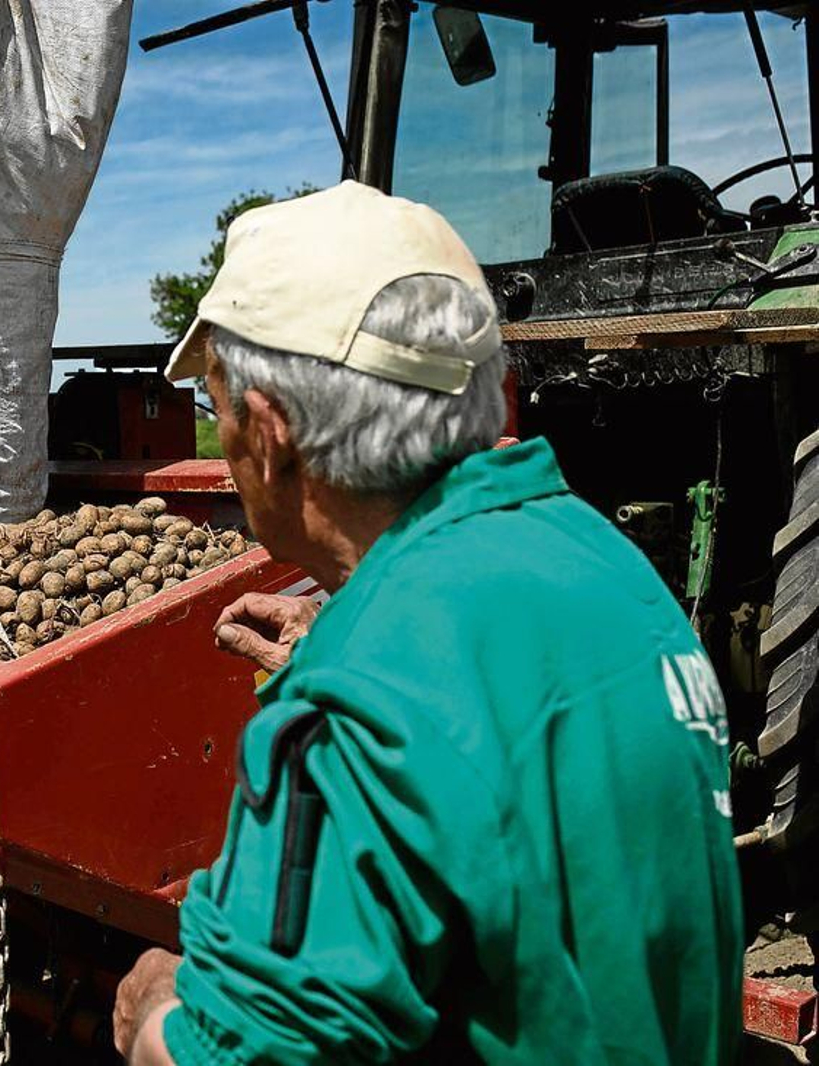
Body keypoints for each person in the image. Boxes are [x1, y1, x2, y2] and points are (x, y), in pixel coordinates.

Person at [112, 181, 742, 1065]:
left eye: (217, 408)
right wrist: (355, 628)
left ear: (270, 432)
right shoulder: (610, 573)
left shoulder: (360, 702)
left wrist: (155, 1014)